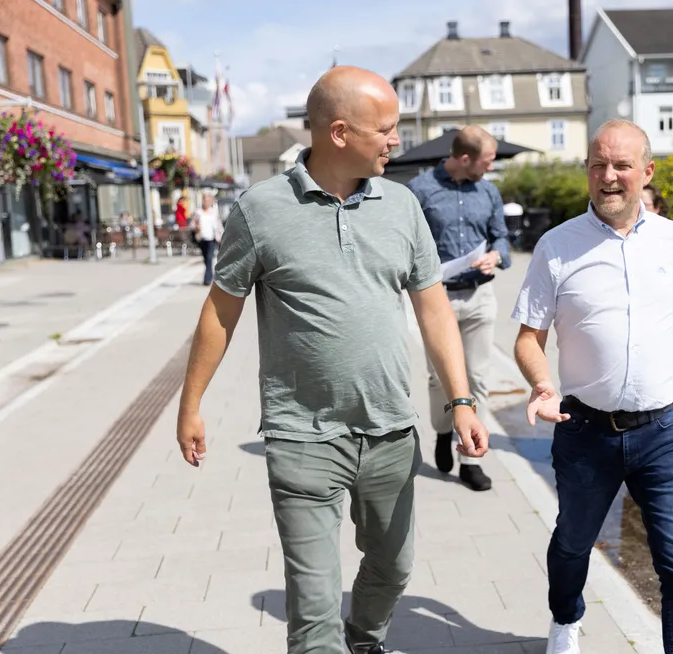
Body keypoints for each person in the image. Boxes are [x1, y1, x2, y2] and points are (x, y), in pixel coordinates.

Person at [175, 65, 489, 654]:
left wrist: (462, 400)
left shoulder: (402, 206)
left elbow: (434, 310)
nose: (396, 141)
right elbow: (220, 313)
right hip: (301, 438)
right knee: (313, 616)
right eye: (387, 129)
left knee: (392, 570)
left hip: (392, 431)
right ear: (340, 133)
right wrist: (191, 404)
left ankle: (365, 643)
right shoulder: (259, 210)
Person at [510, 119, 673, 654]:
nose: (609, 176)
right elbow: (528, 337)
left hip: (666, 430)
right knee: (573, 543)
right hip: (585, 431)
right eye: (598, 165)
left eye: (621, 165)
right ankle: (566, 617)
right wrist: (542, 384)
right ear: (588, 172)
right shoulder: (556, 246)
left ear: (647, 172)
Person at [406, 125, 510, 492]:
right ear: (464, 158)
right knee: (440, 379)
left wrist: (497, 254)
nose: (490, 167)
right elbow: (406, 243)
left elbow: (501, 235)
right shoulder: (419, 191)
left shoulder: (489, 191)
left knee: (477, 378)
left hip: (481, 297)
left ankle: (470, 459)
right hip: (439, 300)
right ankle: (442, 430)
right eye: (487, 161)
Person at [191, 193, 223, 285]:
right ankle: (210, 275)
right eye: (205, 200)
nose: (206, 202)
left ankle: (207, 280)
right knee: (206, 259)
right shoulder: (198, 212)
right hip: (201, 238)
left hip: (212, 238)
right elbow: (192, 224)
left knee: (209, 258)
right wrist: (196, 226)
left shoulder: (214, 212)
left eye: (208, 200)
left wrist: (222, 236)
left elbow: (219, 225)